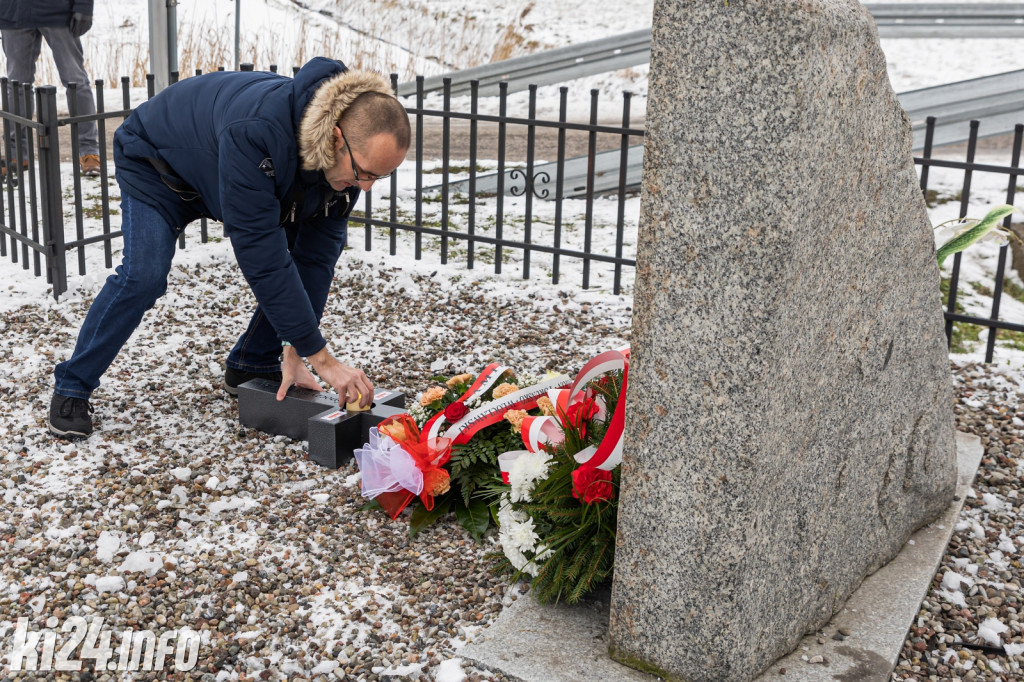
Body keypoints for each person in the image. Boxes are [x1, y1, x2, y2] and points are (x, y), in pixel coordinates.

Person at [47, 57, 411, 438]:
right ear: (336, 137)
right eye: (365, 172)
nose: (365, 187)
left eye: (379, 177)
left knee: (296, 269)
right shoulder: (258, 134)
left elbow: (315, 261)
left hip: (220, 164)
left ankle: (251, 363)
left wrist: (294, 354)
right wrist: (322, 359)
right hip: (158, 165)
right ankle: (73, 384)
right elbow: (262, 258)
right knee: (144, 275)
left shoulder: (344, 170)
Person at [0, 0, 101, 176]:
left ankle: (89, 152)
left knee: (75, 81)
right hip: (13, 13)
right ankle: (16, 155)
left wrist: (84, 7)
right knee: (16, 86)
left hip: (59, 12)